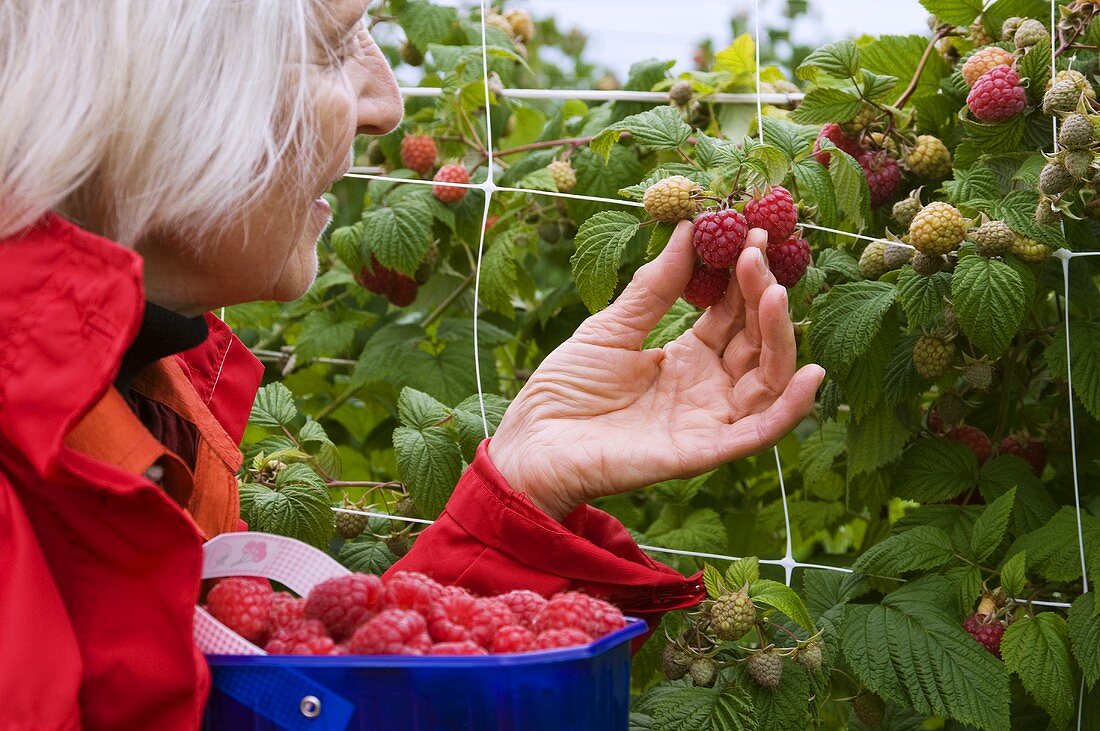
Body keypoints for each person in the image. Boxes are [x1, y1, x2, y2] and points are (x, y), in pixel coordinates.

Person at [0, 0, 825, 728]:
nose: (386, 104)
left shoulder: (133, 402)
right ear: (149, 81)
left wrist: (525, 489)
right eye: (331, 45)